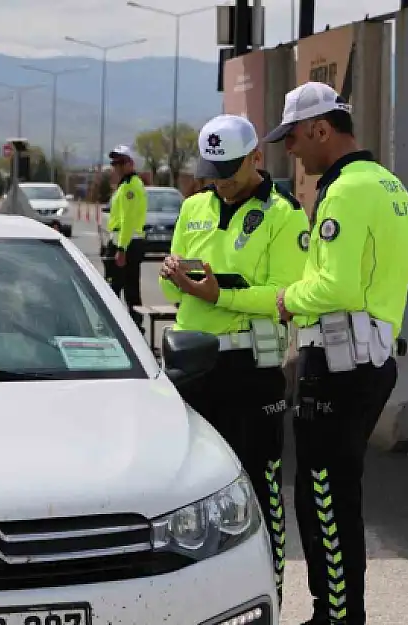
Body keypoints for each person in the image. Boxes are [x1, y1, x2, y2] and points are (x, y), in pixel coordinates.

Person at [265, 81, 408, 625]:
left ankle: (336, 616)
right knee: (337, 492)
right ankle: (342, 612)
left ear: (321, 130)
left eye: (295, 138)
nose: (292, 151)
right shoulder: (388, 184)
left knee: (321, 498)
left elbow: (335, 288)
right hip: (370, 363)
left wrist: (285, 299)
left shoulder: (346, 190)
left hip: (339, 366)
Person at [159, 115, 309, 603]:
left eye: (229, 168)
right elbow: (170, 284)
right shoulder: (194, 207)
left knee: (262, 491)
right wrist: (172, 273)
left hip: (250, 370)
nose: (219, 180)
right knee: (184, 496)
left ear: (257, 158)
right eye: (212, 169)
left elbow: (287, 296)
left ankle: (271, 598)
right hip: (192, 368)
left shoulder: (284, 215)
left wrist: (220, 294)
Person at [103, 145, 147, 329]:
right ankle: (134, 324)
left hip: (126, 243)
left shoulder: (130, 187)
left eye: (121, 162)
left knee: (115, 287)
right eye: (114, 163)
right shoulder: (126, 185)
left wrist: (121, 249)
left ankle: (114, 324)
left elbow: (127, 220)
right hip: (125, 241)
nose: (117, 167)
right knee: (128, 287)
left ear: (130, 163)